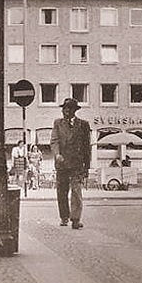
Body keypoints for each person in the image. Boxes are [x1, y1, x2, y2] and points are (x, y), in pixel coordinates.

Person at [50, 98, 92, 229]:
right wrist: (57, 154)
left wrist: (87, 167)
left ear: (74, 110)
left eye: (68, 109)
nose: (65, 111)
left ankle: (75, 219)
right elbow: (54, 141)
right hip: (61, 163)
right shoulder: (58, 123)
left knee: (76, 191)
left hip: (77, 164)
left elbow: (87, 147)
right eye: (64, 108)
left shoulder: (83, 125)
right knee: (62, 191)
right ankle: (64, 217)